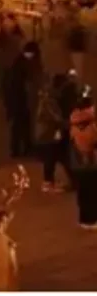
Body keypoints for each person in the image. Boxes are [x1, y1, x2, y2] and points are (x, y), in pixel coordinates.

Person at [3, 40, 42, 159]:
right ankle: (20, 149)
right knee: (20, 124)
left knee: (21, 124)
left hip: (18, 99)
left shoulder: (20, 61)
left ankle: (22, 148)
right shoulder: (21, 64)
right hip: (18, 99)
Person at [36, 71, 72, 192]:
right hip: (50, 132)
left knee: (53, 156)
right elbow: (56, 117)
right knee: (52, 156)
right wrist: (70, 124)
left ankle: (49, 182)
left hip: (50, 132)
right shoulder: (50, 98)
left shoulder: (49, 96)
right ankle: (48, 182)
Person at [70, 96, 97, 228]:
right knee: (91, 191)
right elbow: (91, 142)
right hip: (90, 163)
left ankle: (84, 219)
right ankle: (90, 220)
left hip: (77, 163)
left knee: (83, 192)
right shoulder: (90, 125)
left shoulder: (74, 123)